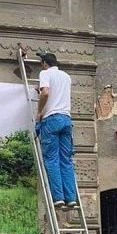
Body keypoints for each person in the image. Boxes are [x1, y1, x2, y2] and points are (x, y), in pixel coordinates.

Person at [33, 52, 78, 209]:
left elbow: (46, 93)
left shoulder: (44, 73)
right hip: (66, 120)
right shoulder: (66, 76)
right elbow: (54, 94)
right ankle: (71, 198)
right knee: (65, 160)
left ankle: (58, 197)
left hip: (51, 120)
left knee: (52, 159)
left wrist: (39, 111)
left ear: (45, 63)